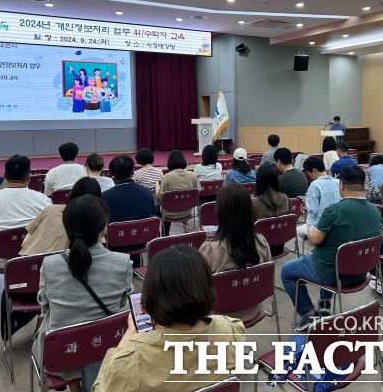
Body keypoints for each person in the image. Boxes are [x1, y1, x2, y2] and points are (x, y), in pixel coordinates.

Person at [91, 246, 246, 392]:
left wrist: (129, 334)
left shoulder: (130, 361)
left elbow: (100, 387)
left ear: (151, 296)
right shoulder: (232, 329)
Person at [34, 195, 133, 392]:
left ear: (66, 228)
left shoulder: (50, 265)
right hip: (109, 351)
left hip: (62, 357)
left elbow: (45, 305)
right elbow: (125, 305)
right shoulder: (123, 262)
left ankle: (75, 387)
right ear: (104, 227)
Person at [281, 166, 383, 329]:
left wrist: (312, 228)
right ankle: (324, 305)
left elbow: (314, 239)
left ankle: (309, 315)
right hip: (361, 273)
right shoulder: (375, 211)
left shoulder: (334, 211)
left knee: (286, 271)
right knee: (326, 255)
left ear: (341, 185)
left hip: (331, 274)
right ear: (363, 185)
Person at [200, 185, 272, 322]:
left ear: (220, 211)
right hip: (252, 308)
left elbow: (199, 288)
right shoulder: (261, 241)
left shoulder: (209, 249)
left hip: (219, 317)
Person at [0, 155, 52, 259]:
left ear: (5, 176)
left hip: (0, 261)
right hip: (35, 260)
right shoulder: (44, 201)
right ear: (28, 177)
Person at [20, 177, 102, 256]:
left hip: (28, 262)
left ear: (72, 193)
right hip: (62, 266)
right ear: (97, 200)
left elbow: (25, 242)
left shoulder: (50, 209)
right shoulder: (94, 220)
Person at [297, 156, 341, 242]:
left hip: (318, 226)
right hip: (336, 224)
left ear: (314, 171)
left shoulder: (315, 184)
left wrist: (306, 204)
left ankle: (307, 253)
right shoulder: (337, 182)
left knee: (297, 231)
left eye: (309, 174)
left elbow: (313, 210)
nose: (309, 177)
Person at [157, 150, 201, 235]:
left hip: (169, 214)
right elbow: (198, 192)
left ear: (169, 162)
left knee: (158, 209)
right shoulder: (192, 175)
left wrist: (157, 185)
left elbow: (160, 196)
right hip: (187, 212)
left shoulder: (167, 177)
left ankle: (164, 235)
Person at [102, 155, 154, 223]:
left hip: (117, 233)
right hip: (145, 232)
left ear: (112, 174)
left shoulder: (104, 197)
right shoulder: (147, 192)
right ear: (133, 171)